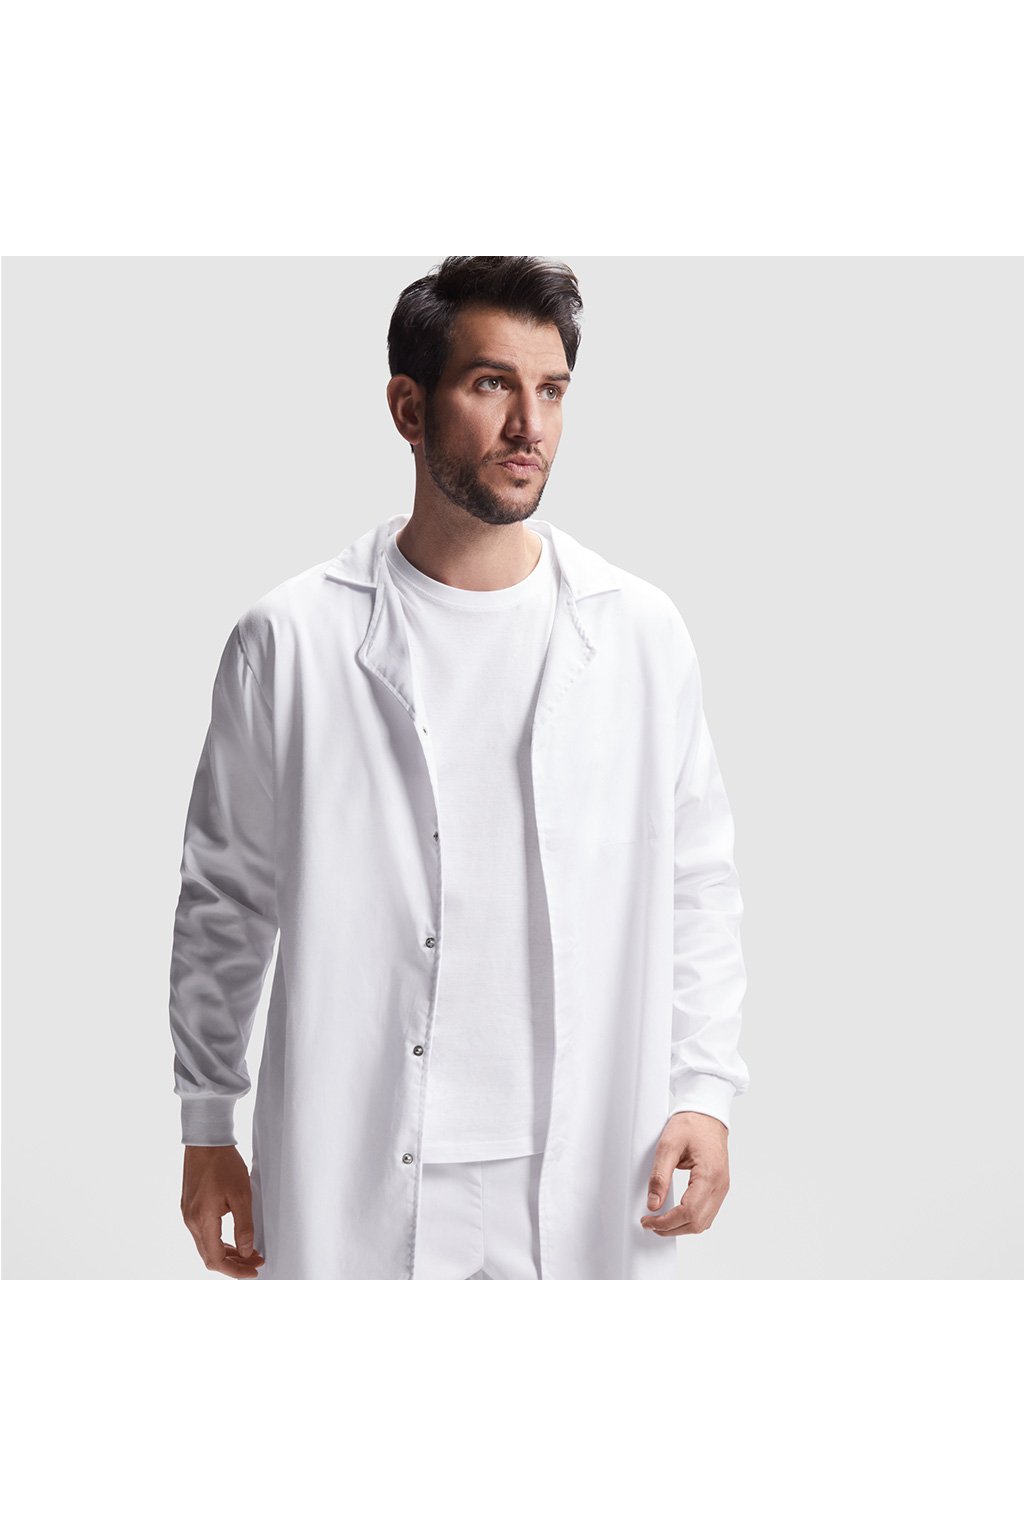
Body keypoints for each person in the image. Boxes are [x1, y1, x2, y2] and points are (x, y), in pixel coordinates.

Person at [170, 255, 750, 1281]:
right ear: (408, 407)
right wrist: (207, 1121)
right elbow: (225, 896)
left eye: (552, 391)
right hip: (361, 1155)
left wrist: (704, 1089)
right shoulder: (290, 641)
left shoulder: (639, 633)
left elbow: (696, 880)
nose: (530, 425)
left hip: (586, 1160)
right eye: (492, 384)